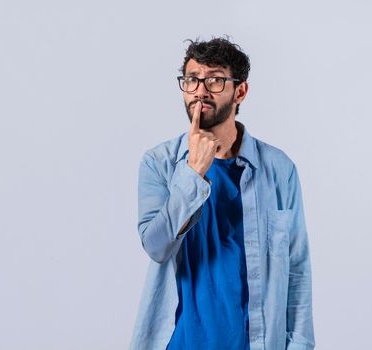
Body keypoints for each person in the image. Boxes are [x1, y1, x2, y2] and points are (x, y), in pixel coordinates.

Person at [130, 37, 315, 350]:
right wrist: (192, 174)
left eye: (214, 80)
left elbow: (297, 270)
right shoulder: (158, 164)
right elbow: (156, 246)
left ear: (239, 91)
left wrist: (298, 346)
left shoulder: (279, 170)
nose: (200, 90)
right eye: (192, 80)